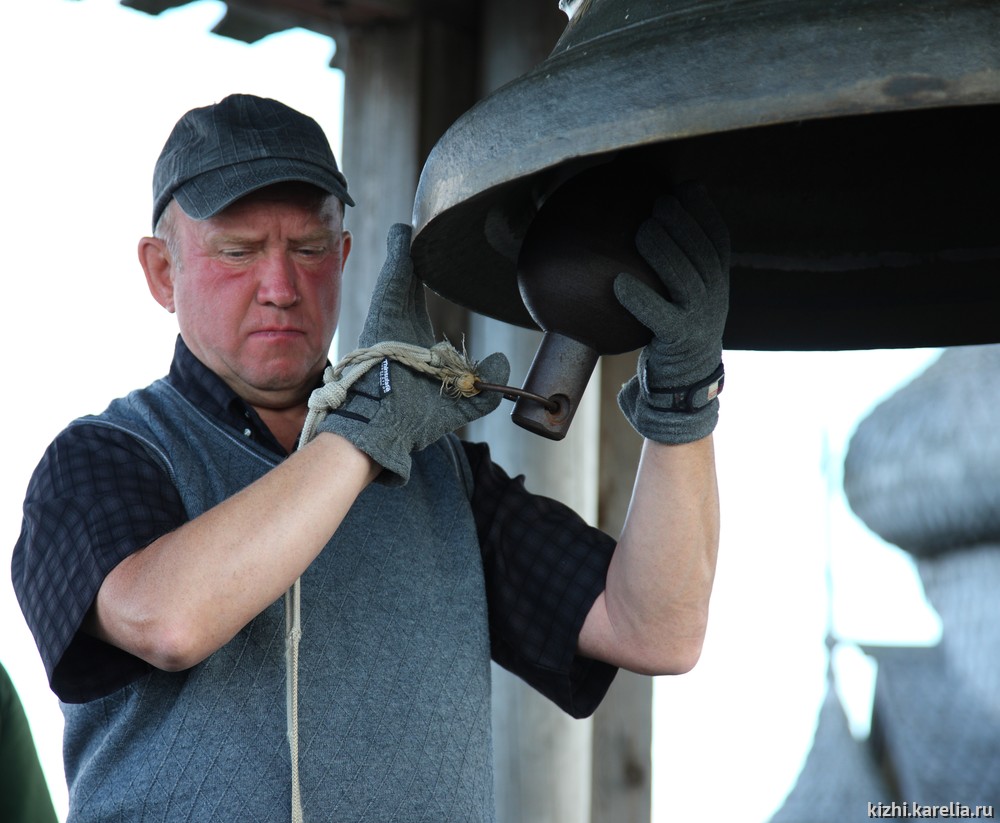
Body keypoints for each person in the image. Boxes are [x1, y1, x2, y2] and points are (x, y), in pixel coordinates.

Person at [12, 94, 728, 822]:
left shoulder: (441, 473)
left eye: (310, 248)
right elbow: (170, 621)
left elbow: (656, 628)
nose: (281, 288)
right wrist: (363, 431)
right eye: (237, 250)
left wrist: (682, 401)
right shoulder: (102, 457)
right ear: (162, 271)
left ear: (346, 256)